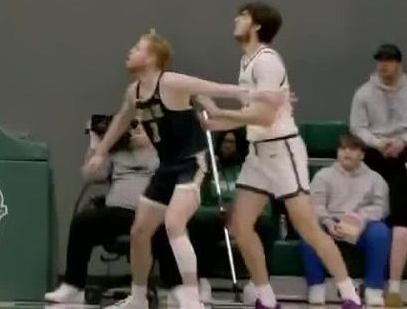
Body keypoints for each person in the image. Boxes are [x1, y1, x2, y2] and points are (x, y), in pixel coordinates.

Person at [85, 31, 284, 309]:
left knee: (174, 223)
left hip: (192, 161)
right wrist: (100, 152)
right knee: (140, 231)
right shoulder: (134, 92)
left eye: (137, 48)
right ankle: (138, 298)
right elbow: (121, 120)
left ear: (152, 58)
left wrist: (263, 95)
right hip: (167, 167)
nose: (130, 52)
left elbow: (216, 88)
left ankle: (191, 298)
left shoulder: (169, 82)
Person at [201, 2, 363, 309]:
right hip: (258, 153)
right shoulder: (247, 61)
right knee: (240, 225)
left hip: (282, 150)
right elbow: (253, 114)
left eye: (243, 16)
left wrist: (220, 112)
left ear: (257, 25)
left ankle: (350, 295)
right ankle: (266, 297)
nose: (236, 19)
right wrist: (217, 122)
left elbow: (264, 117)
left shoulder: (267, 61)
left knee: (308, 228)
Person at [46, 119, 163, 303]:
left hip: (148, 215)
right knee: (82, 222)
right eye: (130, 128)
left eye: (139, 126)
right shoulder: (117, 155)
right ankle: (74, 287)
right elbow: (91, 175)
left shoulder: (161, 155)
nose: (134, 130)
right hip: (116, 214)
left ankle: (179, 289)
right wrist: (95, 143)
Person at [350, 43, 407, 306]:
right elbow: (357, 127)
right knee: (375, 213)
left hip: (405, 155)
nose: (383, 66)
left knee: (401, 217)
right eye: (380, 62)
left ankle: (393, 287)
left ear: (399, 64)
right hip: (375, 154)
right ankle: (371, 281)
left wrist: (402, 141)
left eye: (388, 62)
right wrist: (377, 142)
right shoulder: (364, 93)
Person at [303, 134, 390, 306]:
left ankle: (373, 288)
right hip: (331, 224)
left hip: (362, 226)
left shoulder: (375, 178)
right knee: (309, 230)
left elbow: (382, 208)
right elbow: (315, 206)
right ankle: (316, 286)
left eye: (352, 149)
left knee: (381, 232)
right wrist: (328, 222)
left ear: (362, 155)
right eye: (343, 148)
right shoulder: (323, 176)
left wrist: (361, 219)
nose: (347, 152)